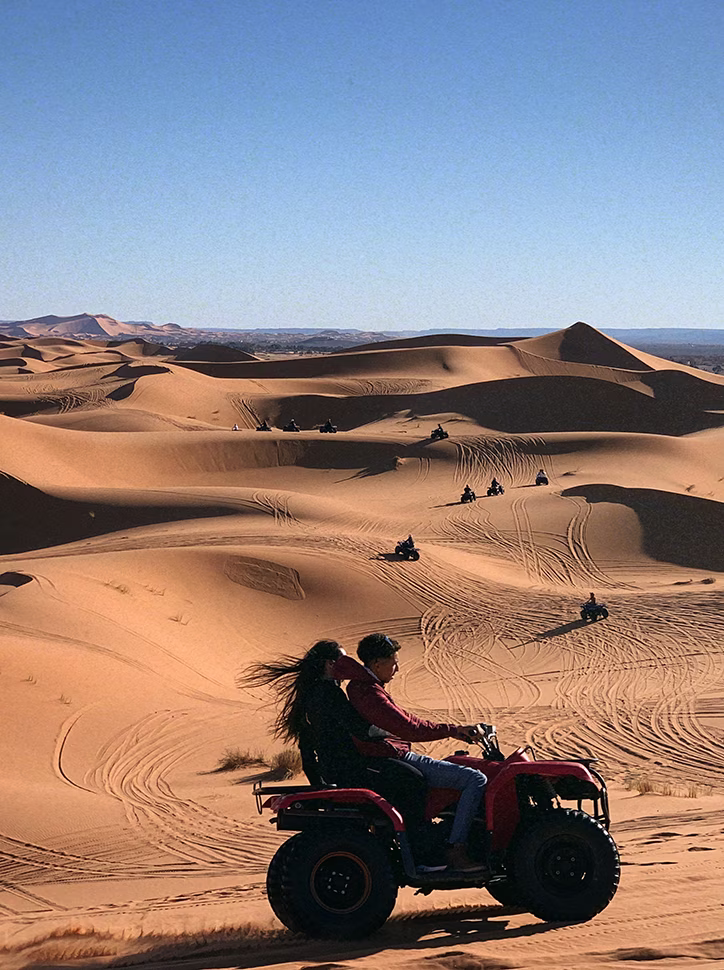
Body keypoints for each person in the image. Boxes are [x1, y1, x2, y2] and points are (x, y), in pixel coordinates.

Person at [243, 640, 433, 864]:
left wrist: (318, 781)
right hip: (353, 767)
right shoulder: (330, 695)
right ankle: (420, 850)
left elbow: (306, 748)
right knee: (415, 780)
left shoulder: (309, 696)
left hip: (333, 770)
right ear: (329, 665)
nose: (346, 666)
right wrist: (396, 729)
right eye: (341, 662)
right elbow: (362, 729)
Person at [333, 634, 488, 873]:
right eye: (393, 662)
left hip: (394, 754)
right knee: (474, 779)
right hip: (394, 757)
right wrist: (452, 730)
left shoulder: (367, 687)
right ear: (377, 664)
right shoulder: (367, 693)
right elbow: (408, 728)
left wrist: (454, 731)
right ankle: (456, 849)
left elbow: (407, 720)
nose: (397, 668)